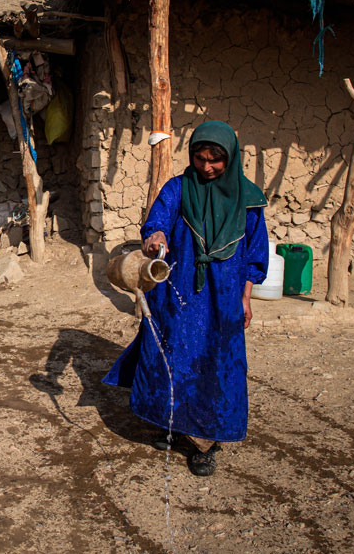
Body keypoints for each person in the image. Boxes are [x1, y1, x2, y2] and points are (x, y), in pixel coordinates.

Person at [102, 121, 269, 476]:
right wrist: (156, 235)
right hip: (177, 295)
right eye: (199, 158)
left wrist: (246, 299)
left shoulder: (249, 199)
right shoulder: (179, 188)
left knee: (217, 362)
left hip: (223, 298)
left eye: (215, 160)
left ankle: (207, 442)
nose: (206, 167)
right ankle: (171, 424)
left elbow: (255, 254)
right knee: (172, 356)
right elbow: (157, 221)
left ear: (230, 158)